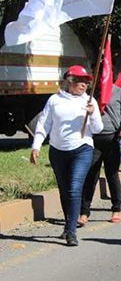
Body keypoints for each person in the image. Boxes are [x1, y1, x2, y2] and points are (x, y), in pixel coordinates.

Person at [30, 65, 104, 246]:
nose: (84, 85)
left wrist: (93, 114)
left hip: (82, 149)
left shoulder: (89, 101)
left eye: (86, 81)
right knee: (64, 191)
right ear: (69, 82)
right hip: (57, 151)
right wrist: (36, 146)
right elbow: (43, 124)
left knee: (74, 188)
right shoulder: (55, 100)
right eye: (80, 81)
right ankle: (68, 224)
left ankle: (71, 232)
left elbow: (98, 129)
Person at [79, 83, 121, 226]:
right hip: (93, 139)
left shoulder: (119, 92)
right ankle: (84, 212)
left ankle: (116, 209)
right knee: (91, 175)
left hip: (112, 139)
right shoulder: (89, 93)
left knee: (112, 174)